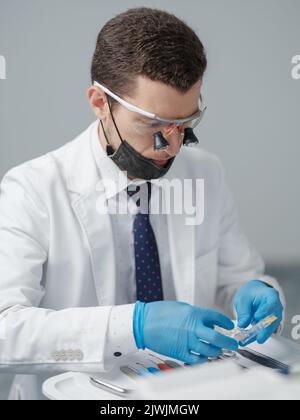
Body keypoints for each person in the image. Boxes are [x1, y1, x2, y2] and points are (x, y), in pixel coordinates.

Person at [0, 8, 284, 400]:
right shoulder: (31, 189)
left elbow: (235, 278)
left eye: (185, 124)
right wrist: (133, 326)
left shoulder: (206, 173)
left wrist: (253, 292)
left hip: (186, 393)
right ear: (100, 103)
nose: (172, 145)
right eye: (153, 124)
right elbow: (4, 330)